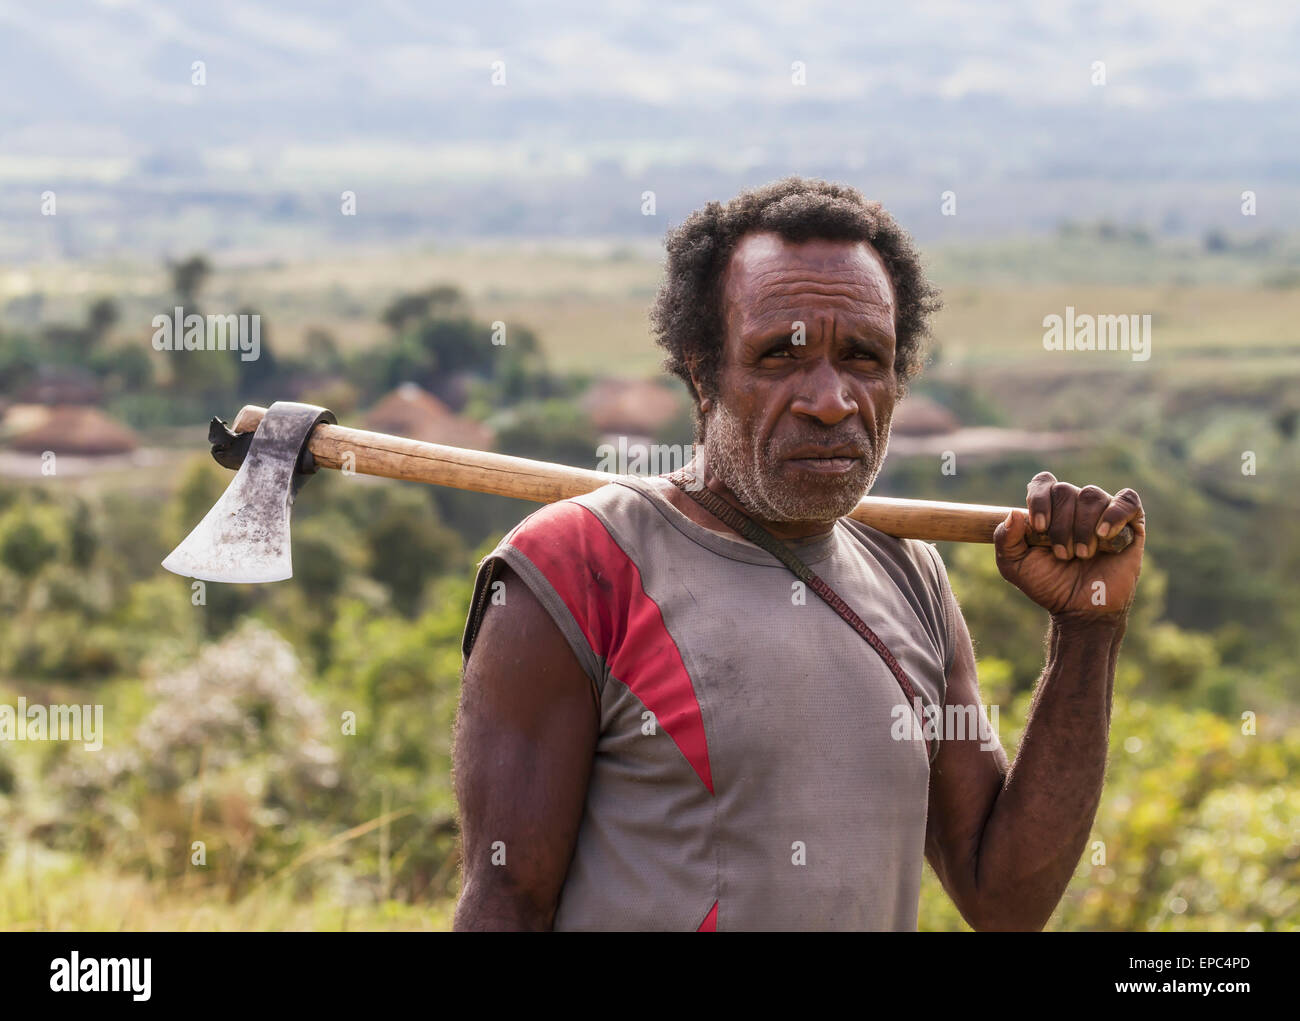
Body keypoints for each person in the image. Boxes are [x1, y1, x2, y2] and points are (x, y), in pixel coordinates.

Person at [452, 177, 1146, 931]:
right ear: (701, 368)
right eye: (782, 356)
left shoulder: (908, 575)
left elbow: (1006, 898)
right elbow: (505, 903)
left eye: (862, 357)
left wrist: (1088, 630)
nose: (830, 399)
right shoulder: (572, 568)